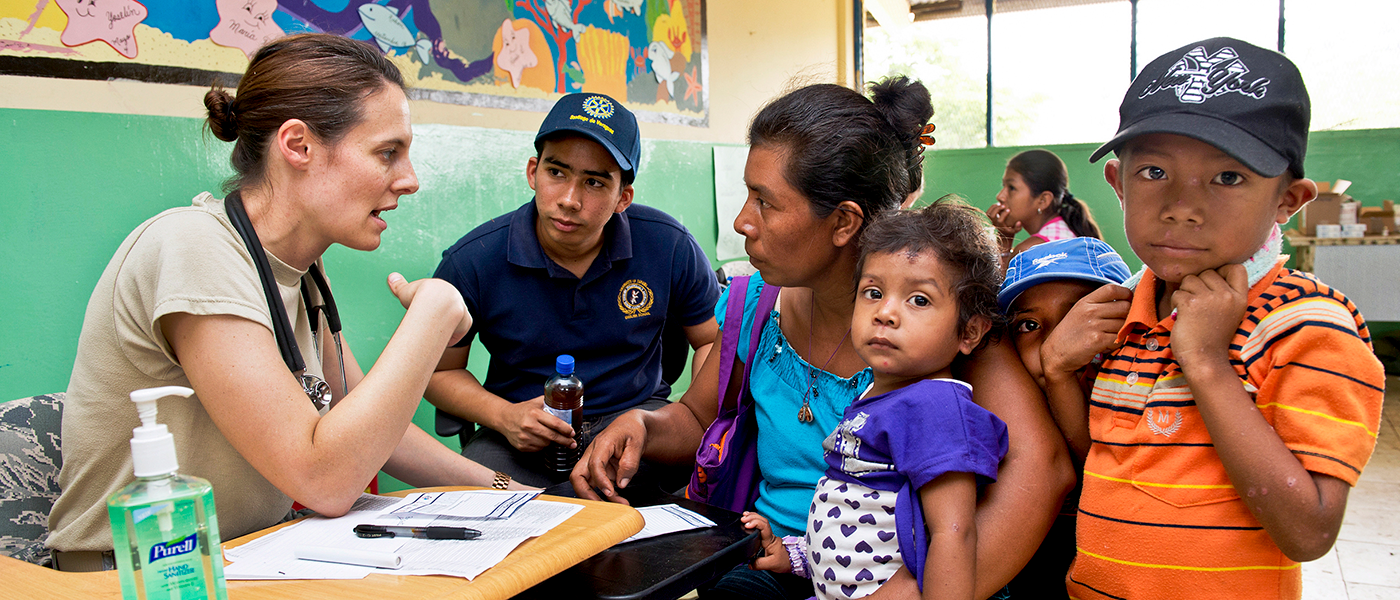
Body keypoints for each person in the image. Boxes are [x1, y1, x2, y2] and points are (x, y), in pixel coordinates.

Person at [573, 76, 1074, 600]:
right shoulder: (756, 307)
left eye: (765, 202)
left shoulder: (941, 328)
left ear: (842, 222)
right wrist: (641, 425)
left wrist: (914, 592)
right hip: (779, 563)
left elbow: (1043, 470)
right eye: (747, 195)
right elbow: (698, 417)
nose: (743, 222)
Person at [47, 34, 528, 571]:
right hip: (138, 575)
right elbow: (324, 479)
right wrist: (432, 314)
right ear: (297, 145)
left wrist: (513, 494)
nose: (409, 180)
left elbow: (363, 422)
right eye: (387, 152)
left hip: (250, 557)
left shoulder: (302, 271)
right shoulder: (193, 248)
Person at [1056, 37, 1386, 599]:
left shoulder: (1306, 326)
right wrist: (1059, 371)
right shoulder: (1123, 314)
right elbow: (1108, 471)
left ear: (1289, 199)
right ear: (1117, 183)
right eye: (1154, 171)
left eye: (1228, 177)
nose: (1182, 204)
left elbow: (1308, 530)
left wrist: (1206, 363)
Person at [424, 93, 721, 488]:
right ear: (533, 172)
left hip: (636, 425)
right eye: (557, 173)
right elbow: (437, 371)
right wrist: (502, 417)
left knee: (690, 511)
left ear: (623, 198)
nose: (569, 200)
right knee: (482, 508)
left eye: (595, 182)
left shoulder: (669, 246)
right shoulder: (473, 259)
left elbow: (713, 343)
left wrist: (697, 419)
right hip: (521, 434)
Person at [742, 200, 1010, 600]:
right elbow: (859, 515)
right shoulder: (880, 397)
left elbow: (953, 534)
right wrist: (794, 556)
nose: (885, 312)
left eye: (918, 299)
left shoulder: (936, 408)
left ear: (969, 332)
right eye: (873, 292)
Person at [996, 238, 1131, 599]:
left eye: (1078, 316)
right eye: (1028, 325)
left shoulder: (1150, 410)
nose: (1056, 339)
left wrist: (1058, 372)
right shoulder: (1004, 431)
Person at [986, 149, 1102, 269]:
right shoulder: (1068, 232)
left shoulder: (1028, 252)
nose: (1000, 196)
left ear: (1043, 200)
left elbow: (1000, 287)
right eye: (1003, 186)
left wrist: (1004, 241)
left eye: (1011, 188)